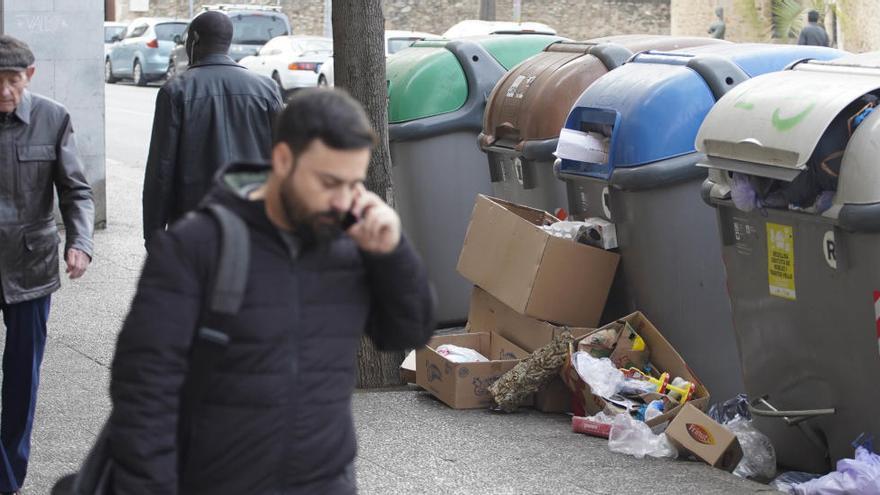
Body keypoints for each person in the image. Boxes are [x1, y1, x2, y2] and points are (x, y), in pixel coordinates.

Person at [108, 88, 435, 494]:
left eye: (354, 184)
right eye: (329, 182)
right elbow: (143, 391)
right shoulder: (198, 245)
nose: (344, 201)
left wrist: (392, 253)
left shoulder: (352, 238)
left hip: (324, 480)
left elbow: (406, 334)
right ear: (282, 159)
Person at [0, 35, 94, 495]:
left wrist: (80, 242)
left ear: (29, 77)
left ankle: (8, 478)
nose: (4, 91)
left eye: (12, 81)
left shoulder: (53, 118)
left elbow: (76, 190)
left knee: (21, 379)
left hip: (30, 268)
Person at [142, 10, 283, 244]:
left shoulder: (175, 91)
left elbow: (161, 170)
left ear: (194, 40)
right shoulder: (267, 89)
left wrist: (154, 233)